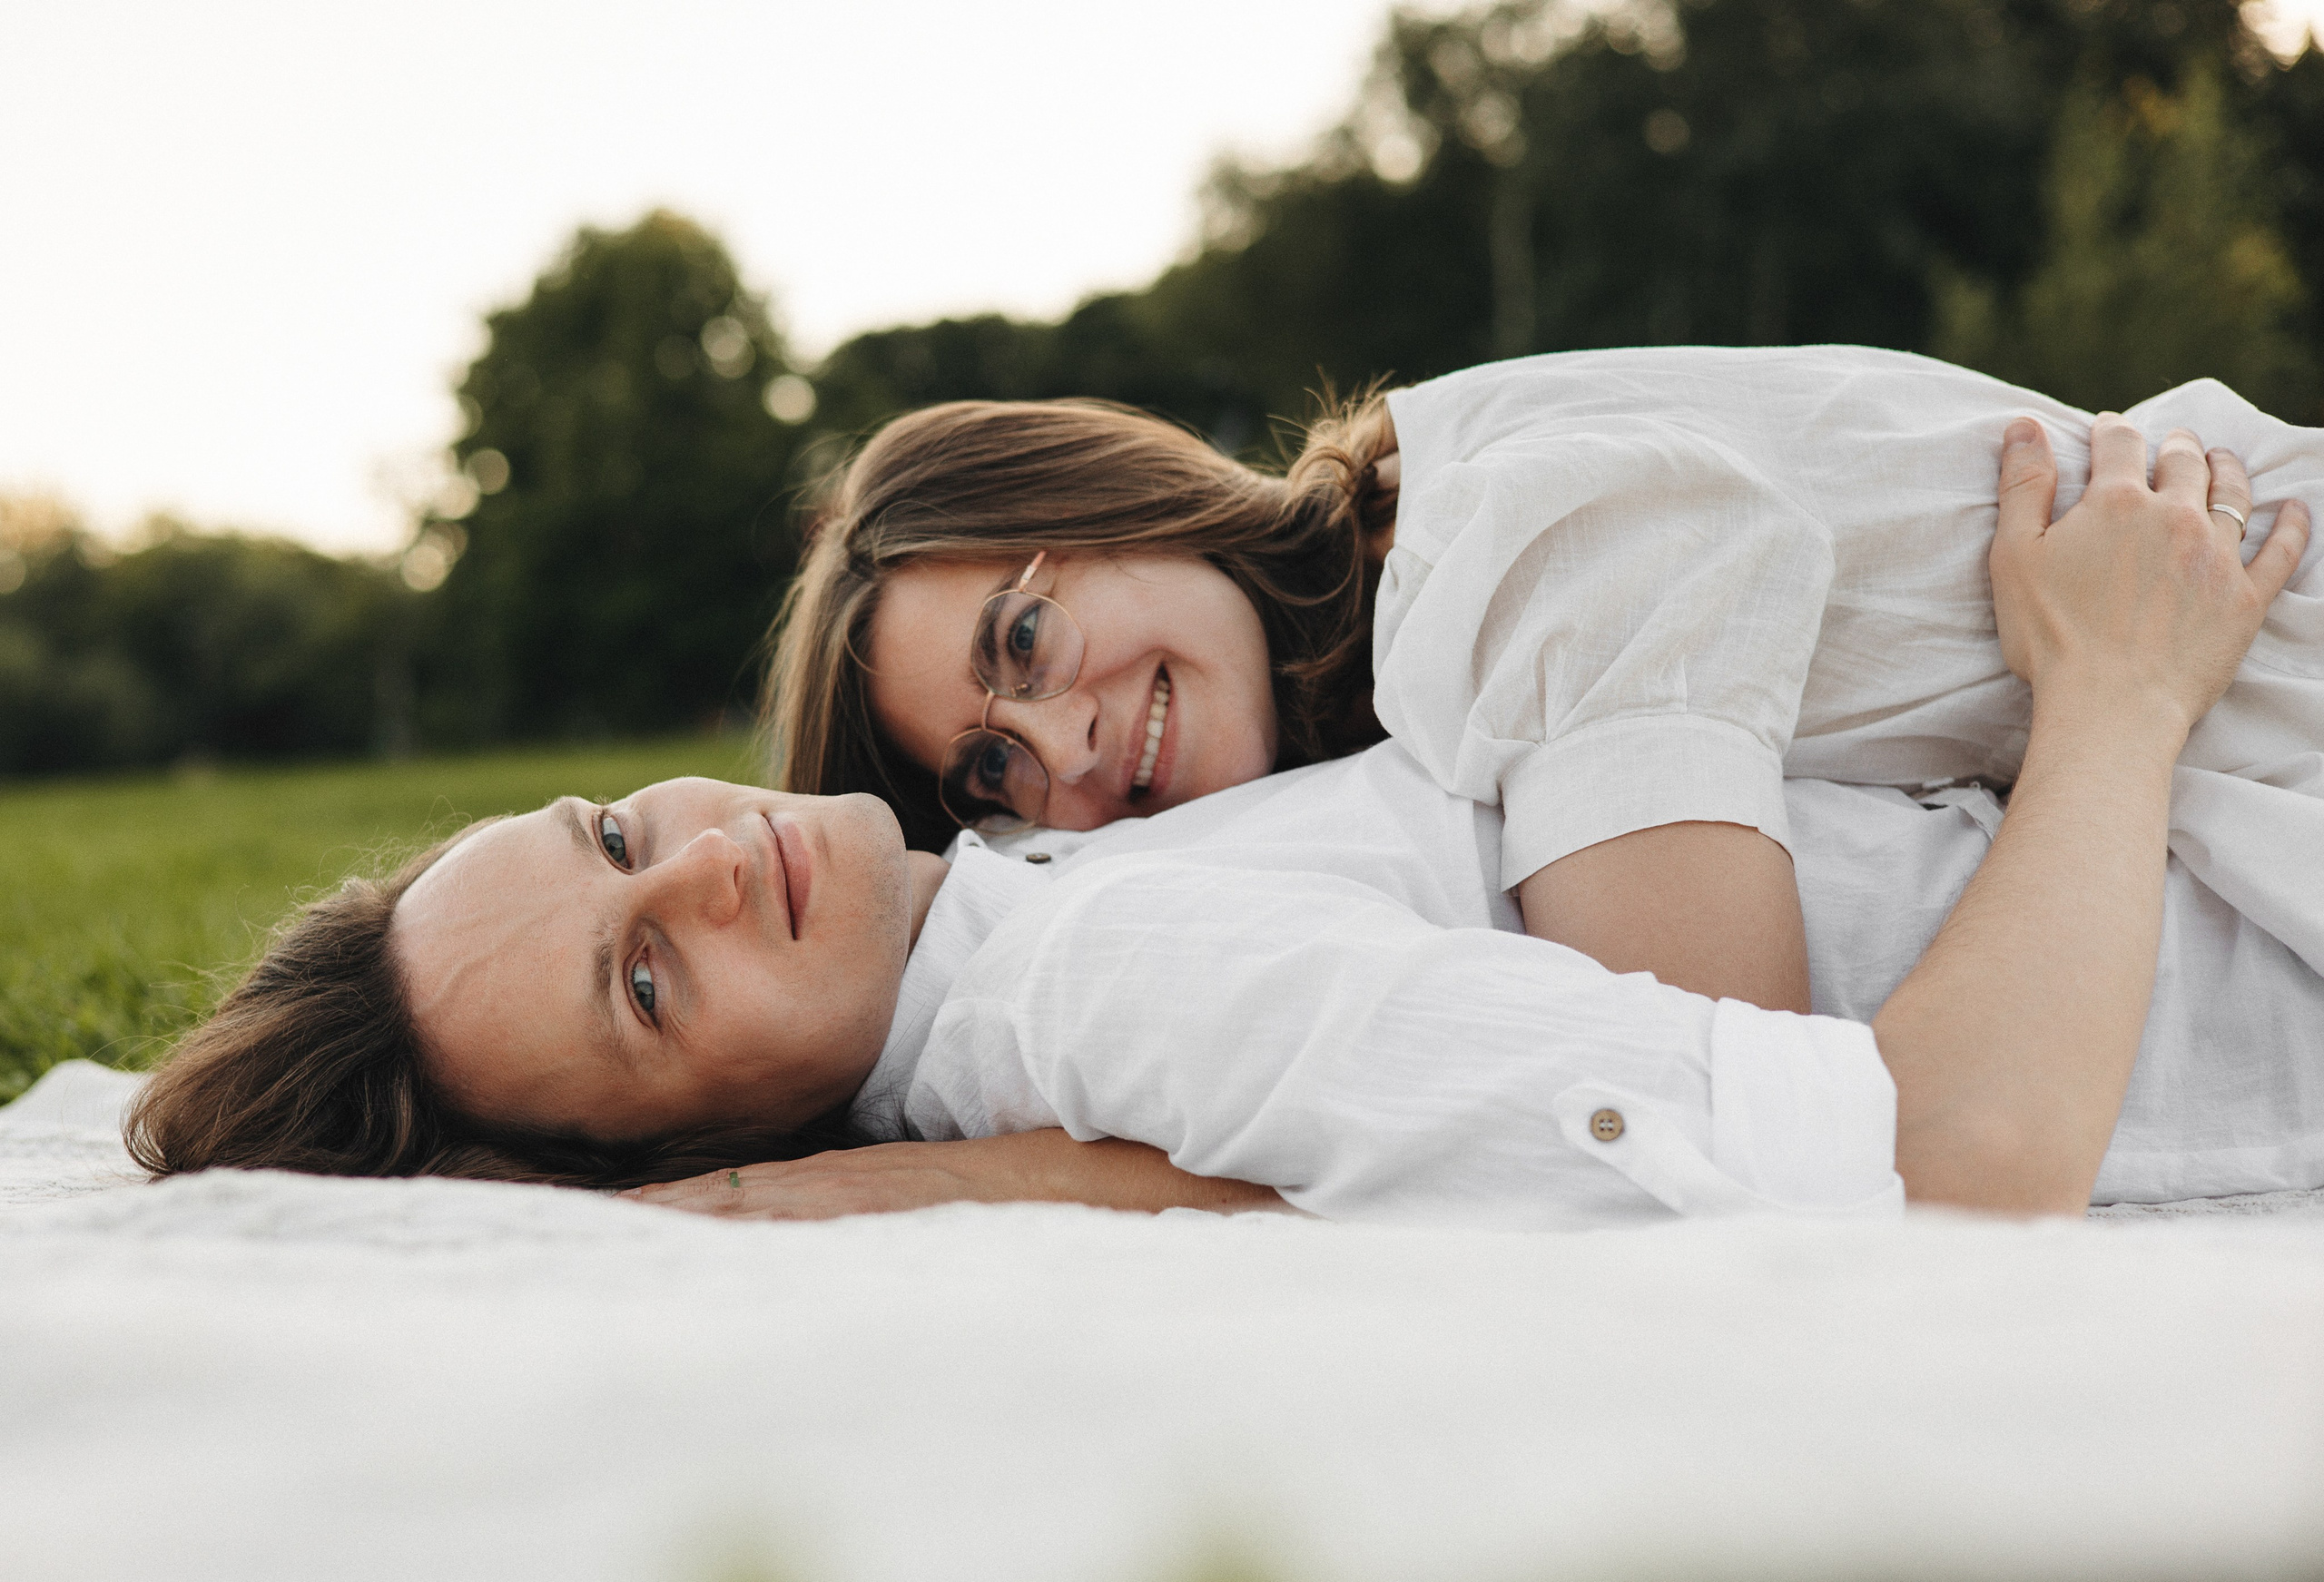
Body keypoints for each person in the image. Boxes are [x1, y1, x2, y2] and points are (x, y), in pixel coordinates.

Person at [126, 426, 2320, 1225]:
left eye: (616, 834)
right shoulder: (1096, 967)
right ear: (702, 1142)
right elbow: (1938, 1160)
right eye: (644, 976)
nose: (704, 867)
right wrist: (2116, 703)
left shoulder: (1068, 908)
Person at [766, 348, 2321, 1019]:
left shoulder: (1500, 553)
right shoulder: (1423, 565)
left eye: (1022, 642)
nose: (1064, 749)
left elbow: (1727, 1077)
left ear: (1123, 502)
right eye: (988, 774)